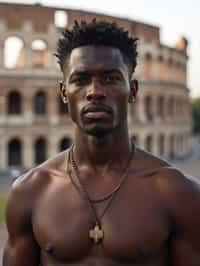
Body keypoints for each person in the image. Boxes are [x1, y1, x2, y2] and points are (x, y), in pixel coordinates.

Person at [3, 20, 200, 266]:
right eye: (82, 79)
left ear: (133, 91)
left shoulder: (177, 192)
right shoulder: (30, 191)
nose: (95, 91)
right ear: (64, 92)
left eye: (110, 78)